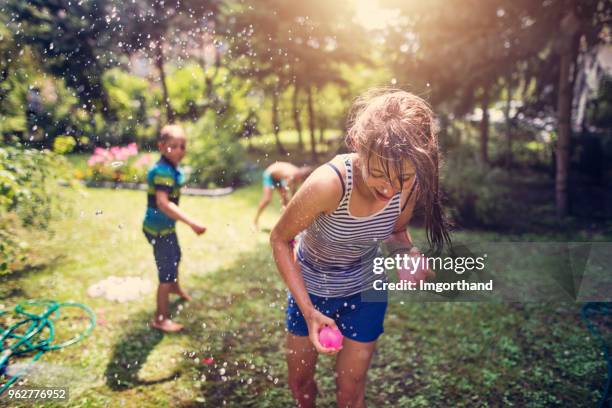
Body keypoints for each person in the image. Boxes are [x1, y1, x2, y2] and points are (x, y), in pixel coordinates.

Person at [270, 89, 450, 408]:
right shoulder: (329, 184)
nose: (389, 189)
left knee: (351, 390)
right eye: (378, 174)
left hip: (366, 290)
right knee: (300, 383)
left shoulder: (409, 187)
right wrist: (309, 310)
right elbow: (280, 239)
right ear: (357, 145)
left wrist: (404, 253)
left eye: (402, 178)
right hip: (311, 290)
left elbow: (396, 231)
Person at [143, 124, 207, 333]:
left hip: (164, 227)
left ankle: (175, 288)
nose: (179, 150)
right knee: (166, 271)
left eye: (182, 146)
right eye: (173, 146)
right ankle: (160, 318)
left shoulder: (169, 167)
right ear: (161, 146)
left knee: (175, 256)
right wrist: (192, 222)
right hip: (159, 228)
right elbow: (163, 203)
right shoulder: (162, 171)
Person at [253, 161, 313, 230]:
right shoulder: (291, 175)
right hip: (269, 174)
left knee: (286, 203)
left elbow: (293, 192)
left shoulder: (297, 175)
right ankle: (255, 220)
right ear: (302, 178)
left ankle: (284, 224)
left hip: (278, 178)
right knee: (267, 199)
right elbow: (286, 191)